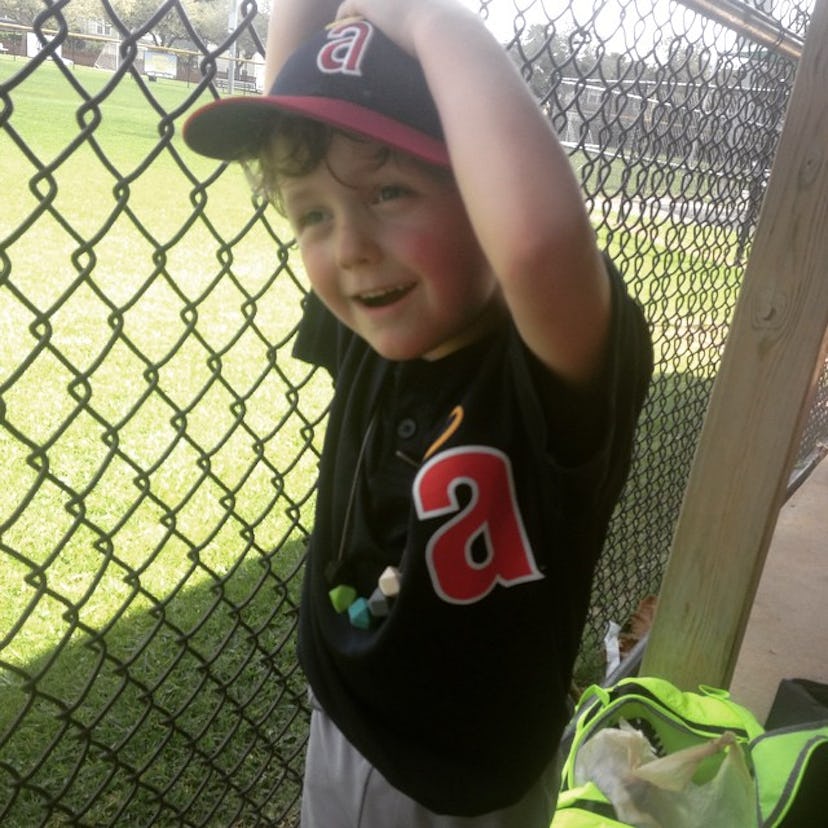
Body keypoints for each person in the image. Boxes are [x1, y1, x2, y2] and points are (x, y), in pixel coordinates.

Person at [183, 0, 653, 824]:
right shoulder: (377, 327)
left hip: (468, 777)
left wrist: (426, 21)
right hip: (347, 711)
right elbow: (292, 83)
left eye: (392, 189)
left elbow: (540, 242)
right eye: (313, 217)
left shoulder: (549, 365)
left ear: (482, 191)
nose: (351, 246)